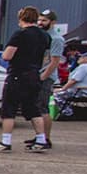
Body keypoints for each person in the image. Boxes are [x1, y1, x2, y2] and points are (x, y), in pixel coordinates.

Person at [0, 6, 50, 153]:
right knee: (33, 108)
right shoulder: (44, 36)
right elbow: (46, 57)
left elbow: (7, 56)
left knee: (9, 109)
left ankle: (6, 141)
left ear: (21, 18)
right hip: (34, 74)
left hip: (18, 74)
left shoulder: (20, 34)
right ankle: (41, 139)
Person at [29, 10, 65, 149]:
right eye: (39, 20)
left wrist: (43, 77)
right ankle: (39, 136)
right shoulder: (41, 36)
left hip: (46, 77)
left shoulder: (56, 39)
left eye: (44, 20)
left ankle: (46, 139)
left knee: (42, 107)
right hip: (37, 74)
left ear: (52, 22)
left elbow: (54, 62)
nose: (40, 23)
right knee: (36, 108)